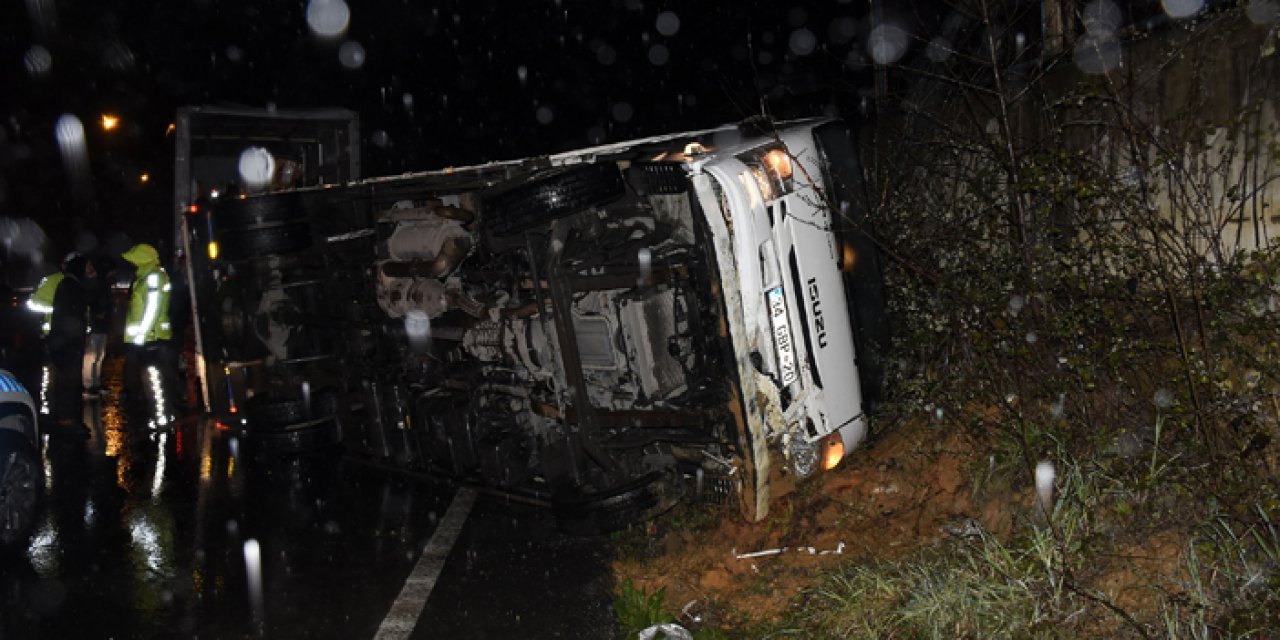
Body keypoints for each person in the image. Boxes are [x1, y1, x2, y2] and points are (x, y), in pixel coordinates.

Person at [121, 243, 174, 427]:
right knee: (153, 377)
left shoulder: (152, 278)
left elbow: (152, 309)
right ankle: (160, 415)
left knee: (153, 377)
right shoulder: (147, 277)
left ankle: (161, 418)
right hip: (149, 336)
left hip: (151, 337)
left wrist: (141, 335)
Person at [47, 253, 89, 431]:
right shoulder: (71, 286)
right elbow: (70, 317)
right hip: (68, 344)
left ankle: (67, 418)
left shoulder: (70, 285)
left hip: (66, 343)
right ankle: (66, 420)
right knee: (68, 381)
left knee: (68, 380)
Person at [82, 255, 116, 395]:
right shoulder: (92, 284)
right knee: (92, 355)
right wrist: (97, 314)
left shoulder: (100, 283)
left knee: (98, 355)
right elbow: (90, 303)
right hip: (96, 325)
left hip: (101, 325)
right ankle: (89, 384)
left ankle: (95, 383)